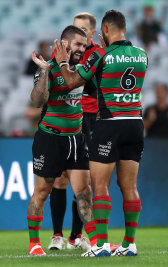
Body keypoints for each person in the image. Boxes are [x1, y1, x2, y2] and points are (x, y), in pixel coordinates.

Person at [51, 9, 148, 257]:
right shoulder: (142, 55)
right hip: (136, 123)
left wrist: (63, 62)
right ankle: (129, 243)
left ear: (104, 30)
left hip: (109, 124)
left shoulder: (101, 55)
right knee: (130, 186)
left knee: (100, 184)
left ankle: (101, 244)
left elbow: (72, 82)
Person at [27, 25, 94, 256]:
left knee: (84, 191)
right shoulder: (50, 68)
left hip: (76, 139)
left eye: (84, 46)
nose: (81, 49)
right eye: (77, 44)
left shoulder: (83, 71)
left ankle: (96, 242)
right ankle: (34, 243)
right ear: (63, 44)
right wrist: (45, 71)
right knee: (42, 192)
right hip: (50, 139)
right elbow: (37, 101)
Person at [48, 12, 99, 251]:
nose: (78, 35)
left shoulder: (98, 55)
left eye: (83, 31)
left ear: (91, 34)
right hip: (61, 119)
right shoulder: (61, 52)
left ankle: (76, 236)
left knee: (83, 181)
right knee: (59, 179)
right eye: (75, 30)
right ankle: (57, 235)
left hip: (88, 119)